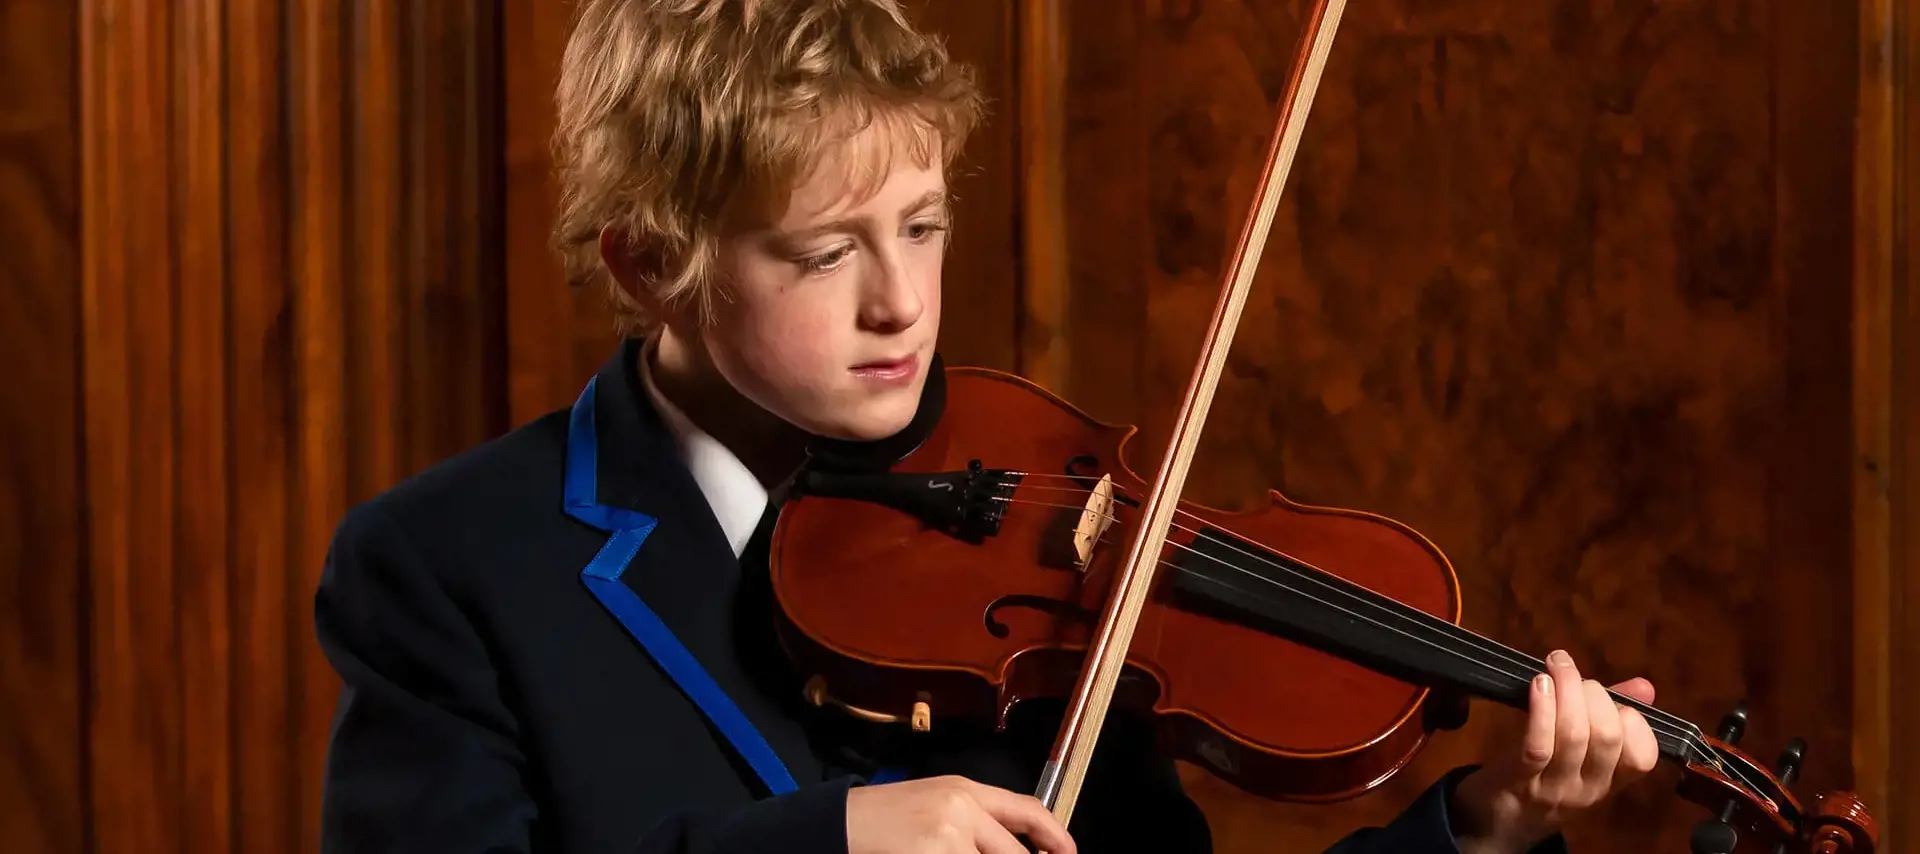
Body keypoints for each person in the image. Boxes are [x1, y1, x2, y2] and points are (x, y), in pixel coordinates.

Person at [312, 1, 1661, 852]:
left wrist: (1483, 824)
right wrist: (831, 841)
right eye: (826, 254)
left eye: (924, 225)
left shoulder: (1040, 521)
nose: (902, 303)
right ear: (649, 264)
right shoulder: (450, 568)